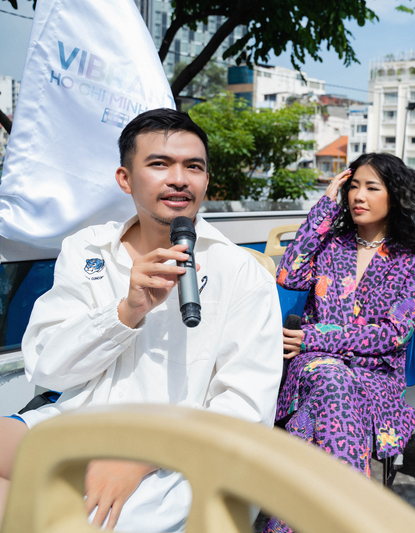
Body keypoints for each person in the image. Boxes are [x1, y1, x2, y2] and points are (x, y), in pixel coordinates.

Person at [0, 109, 283, 530]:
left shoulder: (239, 272)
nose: (179, 178)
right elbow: (48, 368)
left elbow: (245, 407)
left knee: (74, 520)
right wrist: (125, 313)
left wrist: (142, 455)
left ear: (206, 180)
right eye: (159, 164)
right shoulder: (88, 250)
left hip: (177, 452)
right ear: (125, 178)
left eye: (194, 166)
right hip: (80, 421)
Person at [267, 153, 415, 530]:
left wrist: (315, 335)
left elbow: (393, 333)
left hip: (375, 375)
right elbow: (289, 272)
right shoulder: (332, 244)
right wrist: (323, 208)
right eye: (353, 187)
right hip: (312, 367)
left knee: (318, 414)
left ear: (395, 195)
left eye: (371, 188)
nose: (358, 196)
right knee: (332, 380)